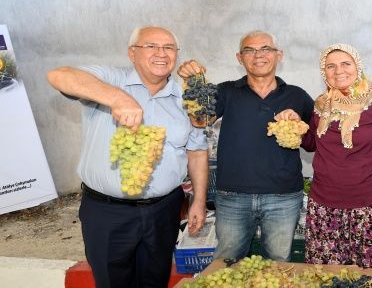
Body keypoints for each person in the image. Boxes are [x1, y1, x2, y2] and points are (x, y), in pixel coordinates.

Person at [47, 26, 209, 288]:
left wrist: (198, 201)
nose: (161, 53)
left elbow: (197, 151)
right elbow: (59, 75)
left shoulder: (185, 99)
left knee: (155, 281)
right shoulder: (111, 80)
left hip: (163, 211)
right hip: (108, 213)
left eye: (169, 48)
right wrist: (117, 98)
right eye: (151, 46)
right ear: (132, 53)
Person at [177, 30, 315, 261]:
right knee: (227, 262)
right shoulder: (225, 91)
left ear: (278, 55)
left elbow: (314, 141)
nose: (258, 55)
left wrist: (299, 125)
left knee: (278, 265)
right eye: (249, 50)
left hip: (283, 197)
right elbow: (199, 120)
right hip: (233, 197)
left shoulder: (297, 96)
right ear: (239, 58)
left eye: (265, 49)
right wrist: (192, 82)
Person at [276, 43, 372, 268]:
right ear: (324, 73)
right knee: (327, 273)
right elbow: (312, 144)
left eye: (345, 64)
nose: (338, 70)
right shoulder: (322, 105)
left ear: (357, 66)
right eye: (330, 66)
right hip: (325, 206)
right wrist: (296, 125)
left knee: (370, 275)